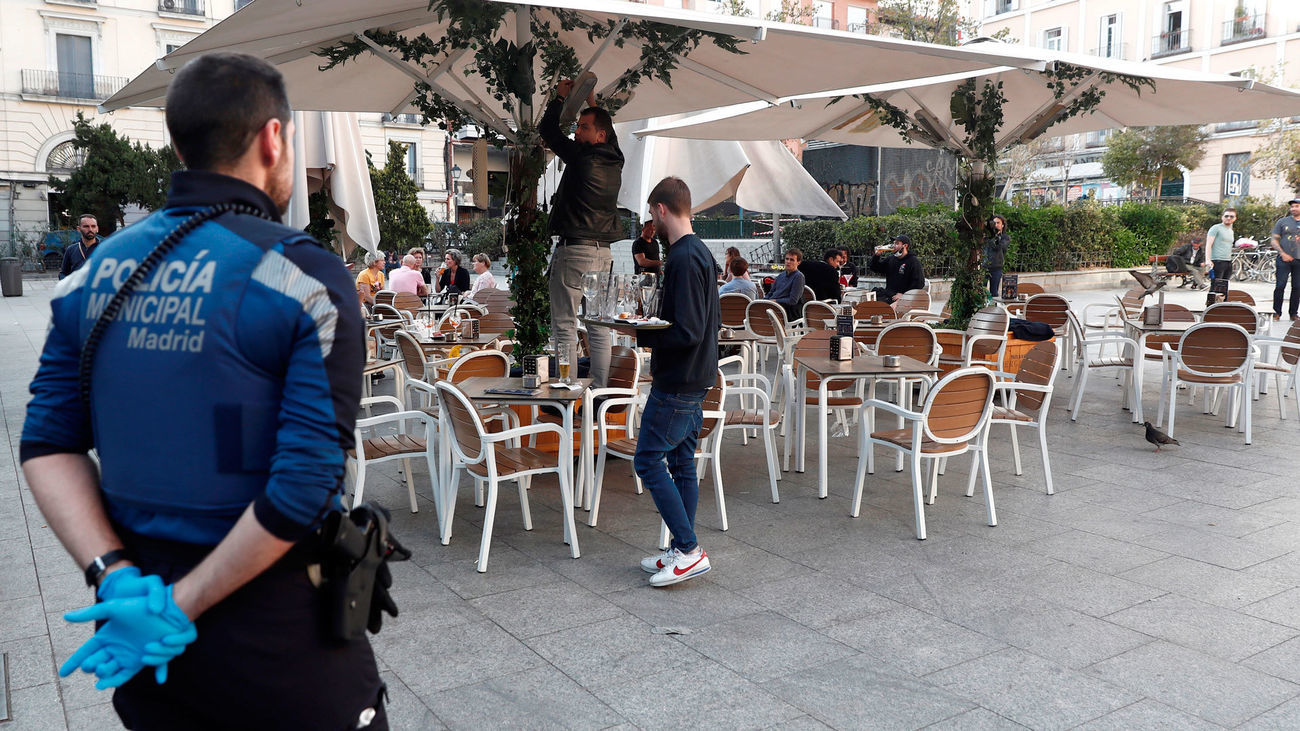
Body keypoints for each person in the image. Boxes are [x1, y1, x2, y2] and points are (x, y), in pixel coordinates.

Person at [20, 52, 384, 728]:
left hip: (151, 664)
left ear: (178, 142)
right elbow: (305, 482)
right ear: (273, 138)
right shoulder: (302, 273)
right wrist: (181, 605)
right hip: (284, 654)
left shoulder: (95, 273)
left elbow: (45, 442)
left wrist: (115, 576)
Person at [611, 177, 718, 588]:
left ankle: (689, 550)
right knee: (680, 463)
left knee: (647, 459)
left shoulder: (684, 257)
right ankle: (681, 547)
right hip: (695, 374)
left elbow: (687, 329)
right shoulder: (698, 253)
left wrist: (641, 332)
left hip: (679, 376)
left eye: (650, 214)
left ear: (659, 210)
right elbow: (705, 324)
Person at [540, 77, 624, 387]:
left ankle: (568, 395)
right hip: (603, 253)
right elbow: (609, 129)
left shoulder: (582, 156)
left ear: (598, 135)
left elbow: (548, 132)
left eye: (583, 128)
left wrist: (559, 98)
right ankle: (600, 393)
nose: (576, 132)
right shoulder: (615, 158)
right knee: (599, 325)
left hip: (575, 250)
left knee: (564, 325)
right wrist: (591, 102)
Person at [868, 234, 925, 304]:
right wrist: (876, 256)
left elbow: (919, 283)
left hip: (902, 298)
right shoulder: (891, 259)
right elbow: (875, 268)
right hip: (889, 295)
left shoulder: (913, 261)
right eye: (894, 243)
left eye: (897, 243)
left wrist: (904, 294)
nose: (894, 246)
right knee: (868, 300)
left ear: (905, 246)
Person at [1271, 198, 1300, 321]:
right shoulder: (1282, 222)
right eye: (1292, 206)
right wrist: (1282, 253)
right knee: (1280, 286)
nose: (1293, 208)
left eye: (1296, 206)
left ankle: (1293, 313)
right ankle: (1276, 312)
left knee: (1297, 287)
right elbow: (1274, 239)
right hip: (1283, 259)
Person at [765, 249, 806, 320]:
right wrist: (763, 301)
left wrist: (775, 301)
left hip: (786, 312)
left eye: (792, 260)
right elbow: (771, 293)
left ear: (798, 263)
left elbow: (793, 300)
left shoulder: (798, 277)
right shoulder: (781, 275)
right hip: (773, 307)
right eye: (787, 259)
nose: (788, 262)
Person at [59, 214, 100, 279]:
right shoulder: (71, 249)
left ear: (97, 229)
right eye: (86, 226)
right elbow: (63, 273)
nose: (90, 229)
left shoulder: (105, 248)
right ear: (78, 229)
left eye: (93, 226)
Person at [1206, 208, 1237, 283]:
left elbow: (1227, 246)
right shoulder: (1216, 228)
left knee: (1224, 287)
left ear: (1235, 218)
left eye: (1231, 216)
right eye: (1226, 216)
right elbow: (1209, 244)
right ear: (1222, 217)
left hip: (1228, 261)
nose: (1228, 218)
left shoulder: (1230, 231)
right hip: (1217, 261)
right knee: (1216, 286)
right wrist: (1208, 259)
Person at [984, 215, 1010, 297]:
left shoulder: (1004, 237)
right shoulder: (986, 236)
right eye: (994, 223)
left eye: (998, 223)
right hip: (984, 267)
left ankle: (993, 308)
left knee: (994, 293)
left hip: (996, 268)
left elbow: (998, 247)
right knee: (980, 291)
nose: (996, 224)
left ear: (1002, 225)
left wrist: (994, 236)